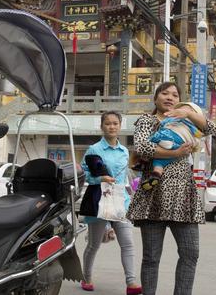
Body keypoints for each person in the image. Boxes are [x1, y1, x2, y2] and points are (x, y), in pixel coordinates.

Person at [127, 82, 216, 295]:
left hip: (183, 196)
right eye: (164, 93)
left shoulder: (186, 119)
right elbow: (142, 147)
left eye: (175, 94)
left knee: (190, 253)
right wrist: (174, 154)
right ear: (156, 98)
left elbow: (210, 128)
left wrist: (187, 112)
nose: (170, 97)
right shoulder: (147, 120)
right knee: (151, 257)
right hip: (153, 196)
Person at [80, 111, 142, 294]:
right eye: (108, 123)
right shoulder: (94, 150)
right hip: (99, 201)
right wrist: (101, 180)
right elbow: (86, 175)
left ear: (120, 125)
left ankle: (131, 283)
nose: (112, 126)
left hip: (120, 202)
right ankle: (87, 278)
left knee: (128, 243)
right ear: (102, 126)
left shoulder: (124, 151)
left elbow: (124, 179)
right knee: (94, 245)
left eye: (115, 123)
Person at [141, 102, 204, 191]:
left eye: (184, 109)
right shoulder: (176, 120)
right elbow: (198, 135)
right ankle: (156, 175)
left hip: (176, 139)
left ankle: (159, 146)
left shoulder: (185, 122)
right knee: (158, 162)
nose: (180, 111)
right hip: (178, 151)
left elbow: (163, 123)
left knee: (154, 139)